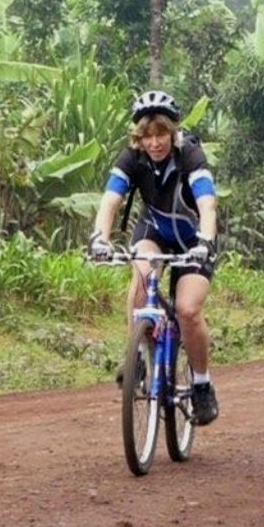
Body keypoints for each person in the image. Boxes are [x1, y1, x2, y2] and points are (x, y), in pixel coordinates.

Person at [88, 90, 220, 425]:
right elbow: (110, 201)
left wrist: (205, 239)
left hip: (194, 240)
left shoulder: (190, 155)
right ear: (139, 138)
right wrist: (99, 238)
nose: (155, 142)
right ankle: (138, 356)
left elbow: (207, 203)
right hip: (154, 233)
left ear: (173, 133)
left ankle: (202, 385)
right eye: (147, 136)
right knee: (144, 274)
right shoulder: (132, 158)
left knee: (188, 310)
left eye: (161, 134)